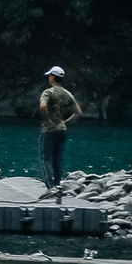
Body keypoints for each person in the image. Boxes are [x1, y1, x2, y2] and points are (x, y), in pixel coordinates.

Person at [37, 68, 81, 196]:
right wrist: (65, 122)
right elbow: (78, 111)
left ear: (52, 76)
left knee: (46, 159)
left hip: (49, 130)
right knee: (58, 159)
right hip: (62, 130)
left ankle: (51, 187)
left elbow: (43, 106)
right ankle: (58, 185)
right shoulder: (67, 93)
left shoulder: (48, 92)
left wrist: (48, 119)